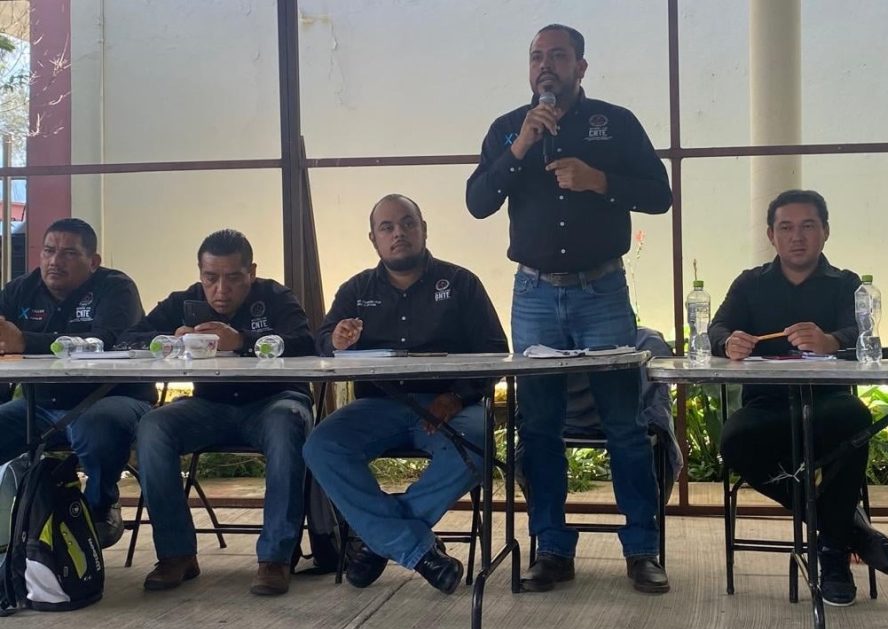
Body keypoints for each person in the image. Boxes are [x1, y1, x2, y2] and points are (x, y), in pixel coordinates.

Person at [466, 24, 671, 594]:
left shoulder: (616, 122)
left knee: (625, 425)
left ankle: (642, 550)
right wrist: (519, 149)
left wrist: (599, 180)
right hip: (534, 296)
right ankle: (552, 549)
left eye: (557, 56)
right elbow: (478, 202)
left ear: (581, 66)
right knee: (539, 427)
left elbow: (660, 194)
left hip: (601, 292)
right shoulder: (508, 128)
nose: (545, 65)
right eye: (536, 56)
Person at [303, 194, 508, 595]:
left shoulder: (461, 283)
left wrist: (457, 396)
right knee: (321, 447)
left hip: (448, 405)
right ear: (373, 239)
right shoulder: (356, 289)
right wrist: (336, 341)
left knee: (478, 444)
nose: (399, 233)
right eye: (387, 227)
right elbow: (323, 342)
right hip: (378, 405)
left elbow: (495, 352)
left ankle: (379, 539)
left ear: (423, 230)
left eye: (408, 223)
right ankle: (413, 546)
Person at [708, 189, 888, 606]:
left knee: (856, 420)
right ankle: (843, 528)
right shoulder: (750, 283)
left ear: (825, 232)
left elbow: (864, 335)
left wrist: (831, 340)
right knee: (734, 441)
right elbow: (716, 328)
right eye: (786, 227)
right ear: (771, 235)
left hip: (830, 402)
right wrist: (728, 342)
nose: (797, 237)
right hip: (767, 404)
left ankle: (833, 557)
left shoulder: (846, 283)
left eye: (808, 226)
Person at [121, 229, 314, 596]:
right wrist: (169, 340)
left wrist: (243, 341)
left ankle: (276, 558)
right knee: (153, 426)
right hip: (209, 406)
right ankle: (176, 554)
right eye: (210, 278)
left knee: (286, 422)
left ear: (251, 272)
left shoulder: (276, 297)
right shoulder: (185, 301)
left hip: (274, 401)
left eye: (233, 278)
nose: (220, 289)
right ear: (200, 273)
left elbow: (307, 342)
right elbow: (128, 338)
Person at [0, 218, 155, 548]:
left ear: (93, 261)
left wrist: (26, 342)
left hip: (114, 399)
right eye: (48, 251)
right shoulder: (19, 291)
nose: (55, 261)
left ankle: (100, 507)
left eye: (69, 253)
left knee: (94, 426)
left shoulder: (116, 289)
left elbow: (106, 341)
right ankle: (15, 525)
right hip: (39, 406)